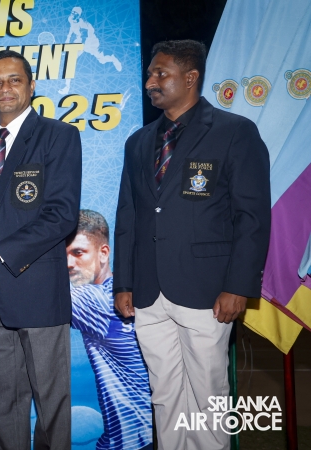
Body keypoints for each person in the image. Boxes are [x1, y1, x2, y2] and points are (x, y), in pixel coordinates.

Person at [113, 40, 271, 449]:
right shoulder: (138, 142)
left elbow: (252, 217)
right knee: (164, 393)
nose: (150, 82)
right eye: (150, 73)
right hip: (149, 292)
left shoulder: (235, 132)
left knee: (207, 394)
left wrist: (238, 286)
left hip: (207, 290)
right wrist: (124, 283)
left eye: (160, 74)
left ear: (190, 77)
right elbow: (128, 217)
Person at [0, 49, 82, 449]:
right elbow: (1, 208)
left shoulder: (58, 135)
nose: (4, 88)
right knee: (2, 399)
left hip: (36, 284)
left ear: (32, 86)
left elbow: (61, 215)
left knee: (50, 401)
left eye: (14, 80)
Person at [67, 210, 152, 450]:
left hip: (133, 442)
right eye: (62, 255)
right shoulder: (122, 292)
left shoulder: (95, 300)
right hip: (147, 435)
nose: (68, 263)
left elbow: (20, 295)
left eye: (78, 253)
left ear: (103, 253)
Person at [59, 6, 122, 95]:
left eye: (75, 13)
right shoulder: (70, 19)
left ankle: (113, 58)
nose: (73, 14)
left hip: (91, 42)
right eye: (72, 12)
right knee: (70, 63)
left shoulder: (84, 26)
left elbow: (84, 39)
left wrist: (72, 49)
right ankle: (67, 87)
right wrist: (65, 47)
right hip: (79, 40)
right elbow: (70, 33)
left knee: (102, 60)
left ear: (79, 16)